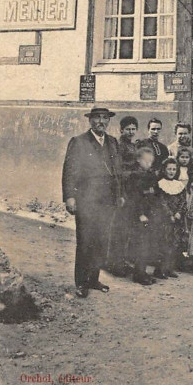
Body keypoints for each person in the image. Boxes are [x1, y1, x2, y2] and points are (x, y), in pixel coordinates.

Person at [62, 105, 123, 298]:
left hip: (107, 201)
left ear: (108, 121)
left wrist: (120, 194)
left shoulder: (112, 142)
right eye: (97, 117)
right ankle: (81, 283)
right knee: (85, 241)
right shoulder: (79, 142)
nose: (101, 122)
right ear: (90, 120)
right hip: (86, 201)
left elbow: (117, 172)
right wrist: (70, 197)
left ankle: (93, 279)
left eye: (105, 118)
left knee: (101, 241)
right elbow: (69, 171)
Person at [107, 115, 140, 276]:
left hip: (132, 190)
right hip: (123, 189)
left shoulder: (133, 145)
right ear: (121, 130)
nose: (131, 131)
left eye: (133, 129)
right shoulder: (119, 146)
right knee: (119, 228)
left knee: (128, 227)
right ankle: (114, 264)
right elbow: (118, 169)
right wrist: (133, 173)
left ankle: (123, 261)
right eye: (128, 129)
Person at [126, 145, 160, 285]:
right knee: (141, 244)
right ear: (139, 160)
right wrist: (140, 214)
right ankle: (139, 274)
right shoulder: (135, 177)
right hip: (139, 215)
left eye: (151, 162)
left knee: (147, 244)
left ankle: (143, 271)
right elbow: (134, 198)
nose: (149, 164)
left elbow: (155, 193)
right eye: (146, 161)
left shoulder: (150, 175)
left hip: (150, 213)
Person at [157, 158, 187, 277]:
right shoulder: (160, 184)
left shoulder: (179, 185)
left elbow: (183, 201)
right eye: (169, 169)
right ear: (164, 170)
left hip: (177, 219)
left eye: (174, 169)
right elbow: (161, 201)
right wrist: (169, 214)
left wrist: (179, 213)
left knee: (174, 243)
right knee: (164, 243)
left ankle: (170, 268)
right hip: (165, 219)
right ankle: (160, 270)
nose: (171, 171)